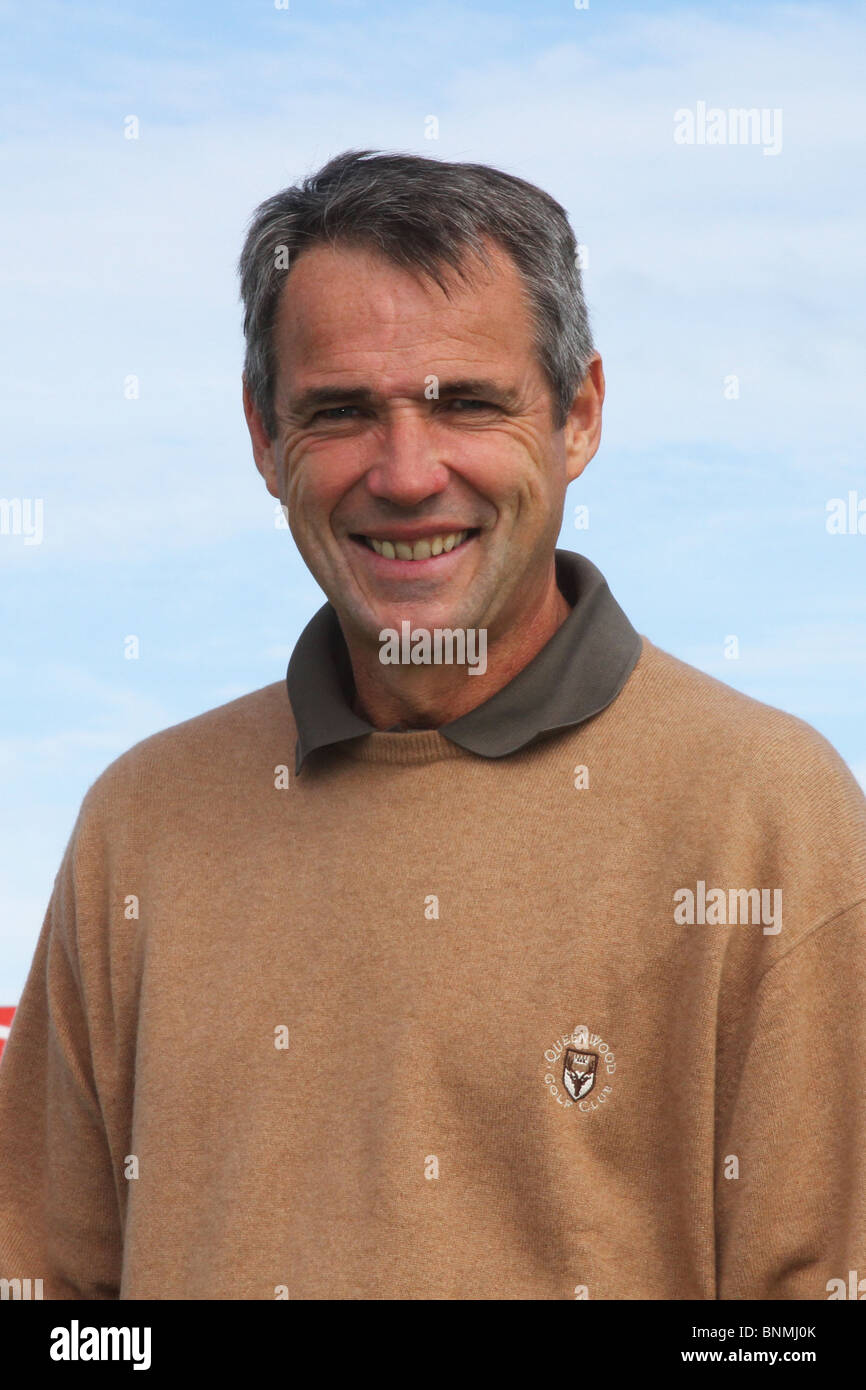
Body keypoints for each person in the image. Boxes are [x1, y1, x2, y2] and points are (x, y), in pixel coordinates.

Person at [1, 150, 864, 1300]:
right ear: (264, 438)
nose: (405, 475)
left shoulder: (771, 816)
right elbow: (52, 1300)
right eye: (341, 411)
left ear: (578, 416)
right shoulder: (138, 823)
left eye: (465, 403)